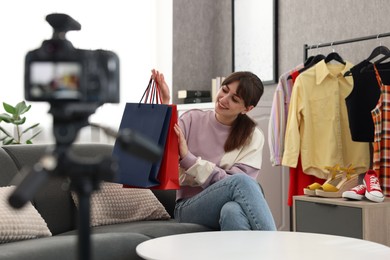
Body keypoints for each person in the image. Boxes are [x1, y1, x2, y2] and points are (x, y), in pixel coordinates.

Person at [152, 69, 276, 231]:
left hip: (227, 203)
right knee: (242, 182)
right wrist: (165, 103)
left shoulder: (252, 136)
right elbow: (162, 149)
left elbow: (236, 185)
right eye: (224, 90)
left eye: (234, 99)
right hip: (188, 206)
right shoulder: (191, 119)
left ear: (247, 109)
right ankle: (275, 247)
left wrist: (189, 159)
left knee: (232, 211)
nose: (224, 99)